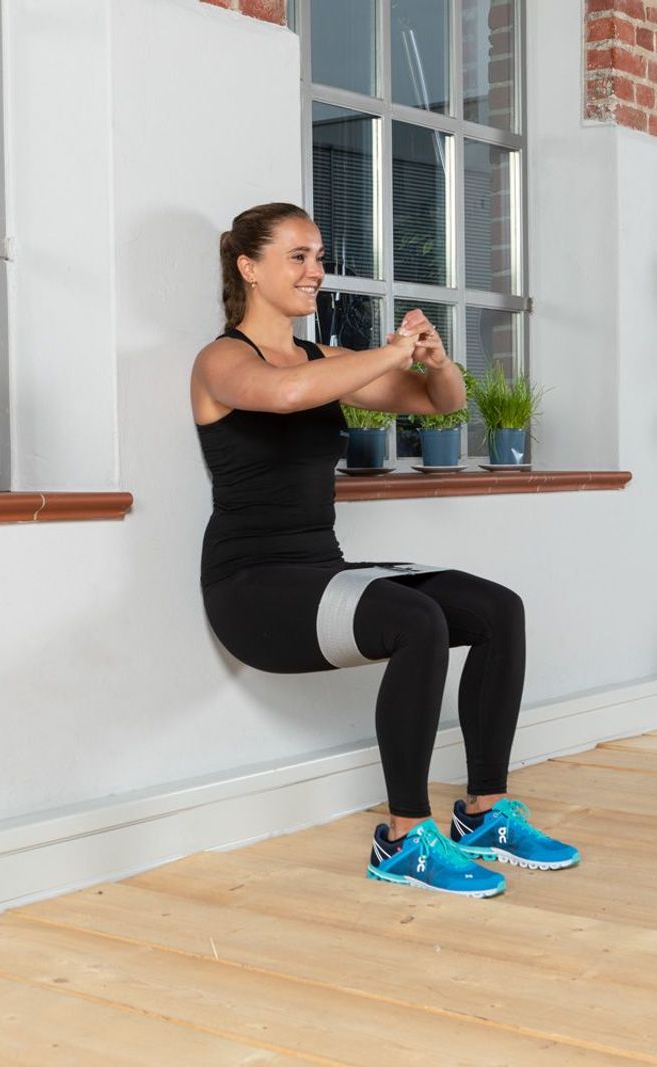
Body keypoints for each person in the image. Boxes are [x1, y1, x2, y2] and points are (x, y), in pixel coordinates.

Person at [191, 202, 579, 897]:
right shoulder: (222, 360)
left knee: (497, 608)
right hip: (250, 586)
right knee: (416, 621)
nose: (316, 270)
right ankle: (403, 839)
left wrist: (434, 358)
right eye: (298, 257)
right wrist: (391, 351)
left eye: (318, 255)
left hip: (320, 569)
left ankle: (485, 813)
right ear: (249, 268)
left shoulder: (325, 358)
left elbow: (442, 403)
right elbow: (285, 396)